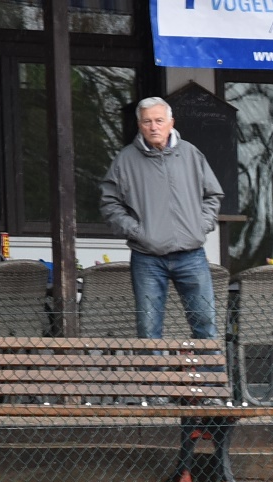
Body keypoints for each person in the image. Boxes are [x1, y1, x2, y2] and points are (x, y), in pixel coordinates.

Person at [98, 96, 222, 343]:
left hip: (191, 255)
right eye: (147, 122)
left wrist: (200, 227)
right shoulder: (125, 159)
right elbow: (109, 203)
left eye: (159, 120)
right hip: (147, 258)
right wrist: (137, 232)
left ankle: (209, 370)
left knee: (205, 325)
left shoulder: (191, 154)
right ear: (139, 125)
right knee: (148, 331)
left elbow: (213, 195)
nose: (153, 127)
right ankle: (154, 372)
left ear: (171, 122)